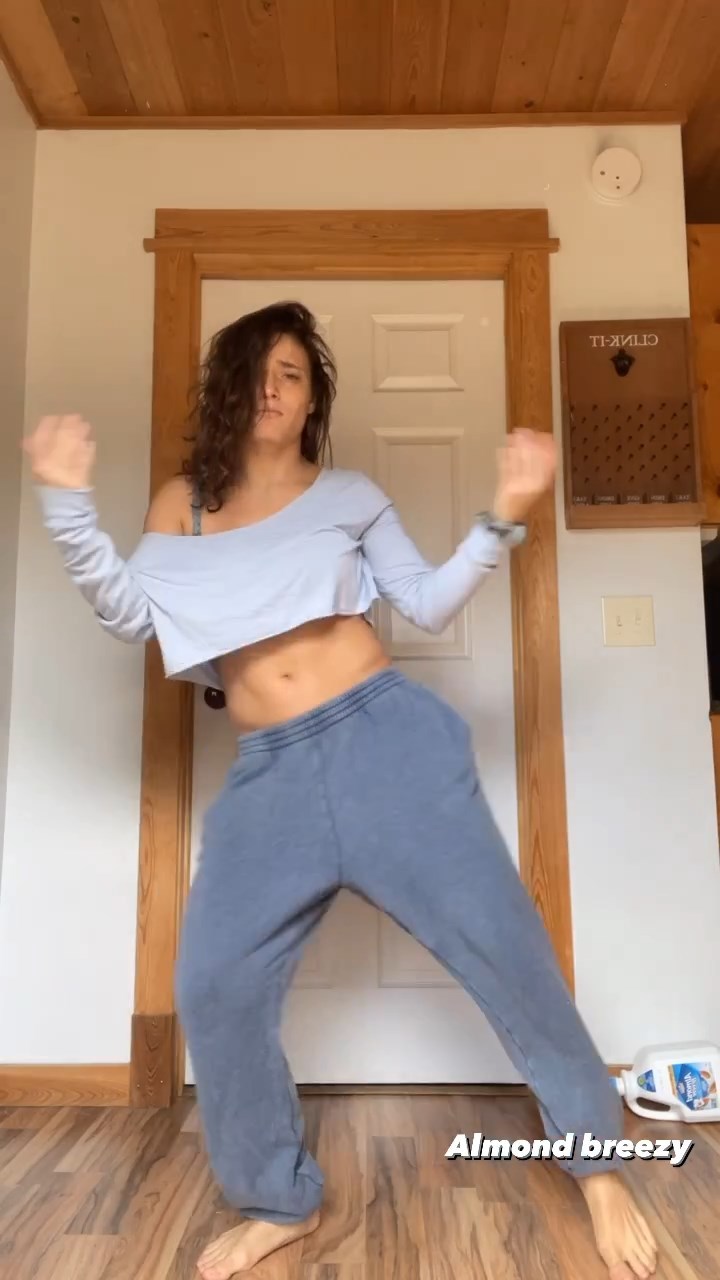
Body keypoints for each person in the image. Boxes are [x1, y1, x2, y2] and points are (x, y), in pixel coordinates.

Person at [24, 301, 657, 1280]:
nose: (272, 388)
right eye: (256, 370)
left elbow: (428, 602)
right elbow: (129, 613)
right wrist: (67, 501)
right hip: (270, 773)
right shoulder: (183, 504)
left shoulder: (348, 495)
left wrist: (503, 511)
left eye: (292, 372)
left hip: (387, 745)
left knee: (506, 950)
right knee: (214, 985)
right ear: (227, 390)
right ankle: (280, 1199)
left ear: (314, 397)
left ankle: (599, 1162)